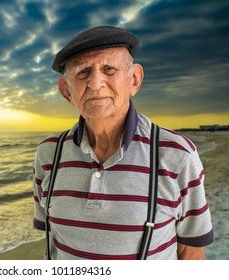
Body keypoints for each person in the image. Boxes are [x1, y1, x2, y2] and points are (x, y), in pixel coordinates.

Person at [33, 26, 214, 260]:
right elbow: (51, 240)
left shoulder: (177, 154)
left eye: (109, 69)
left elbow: (192, 250)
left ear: (135, 80)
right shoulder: (48, 154)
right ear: (67, 91)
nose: (95, 83)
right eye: (82, 73)